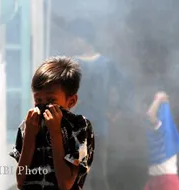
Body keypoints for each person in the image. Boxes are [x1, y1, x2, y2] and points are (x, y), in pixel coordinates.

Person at [64, 18, 133, 190]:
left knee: (95, 171)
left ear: (85, 39)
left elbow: (125, 85)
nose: (73, 41)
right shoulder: (70, 64)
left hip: (96, 126)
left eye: (76, 37)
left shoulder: (105, 64)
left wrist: (117, 111)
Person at [9, 57, 95, 190]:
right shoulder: (28, 127)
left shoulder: (78, 127)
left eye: (51, 100)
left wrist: (55, 132)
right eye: (38, 100)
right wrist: (30, 137)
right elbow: (21, 181)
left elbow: (65, 184)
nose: (43, 106)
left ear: (71, 101)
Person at [144, 91, 179, 190]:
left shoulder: (162, 127)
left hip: (167, 180)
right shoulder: (155, 131)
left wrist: (158, 99)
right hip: (153, 178)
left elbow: (150, 115)